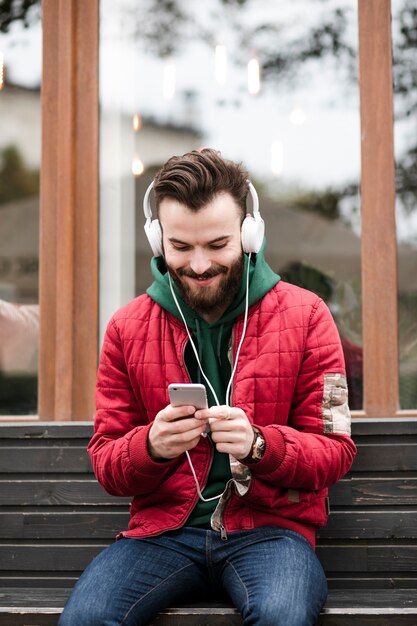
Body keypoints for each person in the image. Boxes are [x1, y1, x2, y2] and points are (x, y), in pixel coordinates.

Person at [59, 148, 356, 626]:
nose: (199, 265)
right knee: (87, 618)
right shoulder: (125, 327)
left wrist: (262, 445)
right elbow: (106, 461)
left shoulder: (309, 316)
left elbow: (335, 452)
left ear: (249, 232)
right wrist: (150, 447)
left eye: (217, 244)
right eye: (181, 247)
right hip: (160, 533)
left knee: (282, 616)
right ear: (157, 240)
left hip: (271, 532)